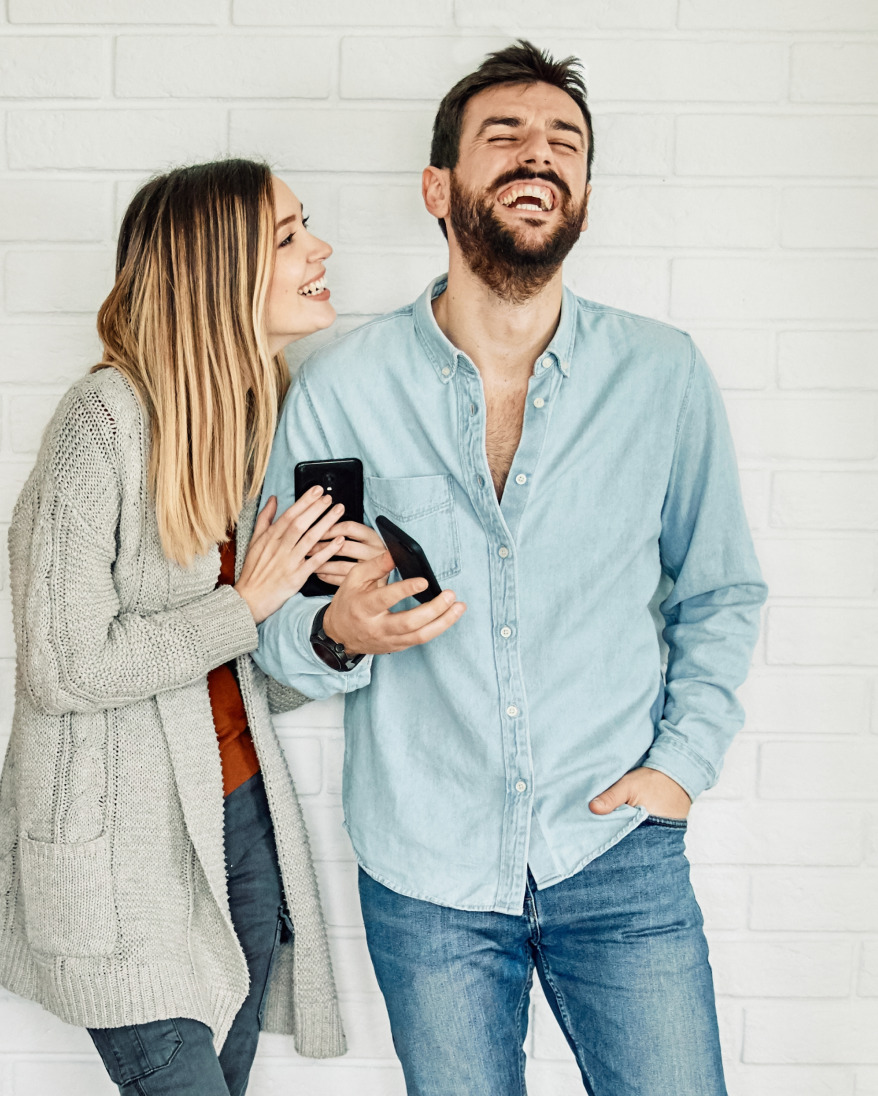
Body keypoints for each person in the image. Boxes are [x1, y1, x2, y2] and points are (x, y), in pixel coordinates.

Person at [254, 41, 766, 1096]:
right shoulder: (341, 391)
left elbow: (719, 591)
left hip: (617, 853)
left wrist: (681, 763)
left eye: (563, 142)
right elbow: (281, 636)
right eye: (506, 136)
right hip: (425, 870)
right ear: (438, 187)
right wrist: (341, 630)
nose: (539, 155)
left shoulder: (661, 376)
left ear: (582, 188)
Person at [0, 159, 357, 1096]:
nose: (321, 249)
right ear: (220, 269)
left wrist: (339, 631)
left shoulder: (251, 422)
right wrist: (246, 603)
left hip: (240, 822)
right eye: (291, 235)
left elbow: (242, 669)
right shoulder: (102, 423)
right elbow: (63, 665)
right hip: (122, 853)